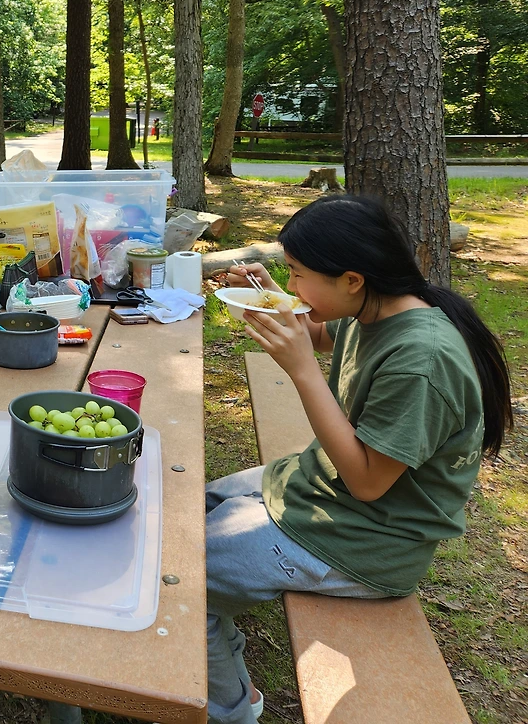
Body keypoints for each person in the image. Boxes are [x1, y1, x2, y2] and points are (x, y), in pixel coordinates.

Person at [208, 195, 511, 724]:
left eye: (298, 274)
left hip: (367, 538)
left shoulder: (421, 362)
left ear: (351, 279)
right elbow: (319, 334)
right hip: (323, 491)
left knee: (183, 575)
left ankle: (230, 711)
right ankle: (221, 643)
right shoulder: (373, 307)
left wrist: (302, 372)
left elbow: (369, 482)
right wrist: (270, 299)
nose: (293, 284)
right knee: (201, 504)